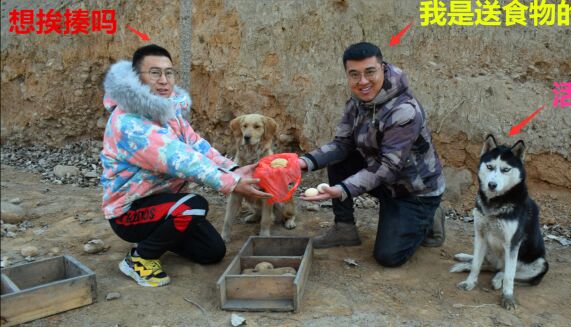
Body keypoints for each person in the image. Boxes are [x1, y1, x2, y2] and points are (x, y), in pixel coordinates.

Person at [100, 44, 271, 287]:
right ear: (137, 79)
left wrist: (232, 169)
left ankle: (162, 236)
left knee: (212, 252)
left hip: (164, 204)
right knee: (193, 205)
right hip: (129, 212)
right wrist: (231, 182)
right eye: (155, 73)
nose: (164, 80)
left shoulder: (169, 112)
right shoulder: (129, 123)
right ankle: (139, 259)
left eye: (169, 73)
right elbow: (180, 159)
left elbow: (197, 146)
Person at [299, 42, 446, 268]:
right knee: (341, 157)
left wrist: (342, 190)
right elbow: (342, 143)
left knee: (388, 257)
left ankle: (429, 218)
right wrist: (303, 163)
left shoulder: (404, 111)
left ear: (383, 68)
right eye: (354, 75)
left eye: (370, 72)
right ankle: (344, 228)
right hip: (383, 178)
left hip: (413, 190)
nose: (363, 82)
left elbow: (388, 167)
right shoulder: (357, 101)